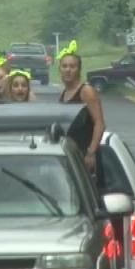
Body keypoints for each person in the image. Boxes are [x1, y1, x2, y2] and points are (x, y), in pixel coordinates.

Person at [56, 40, 105, 175]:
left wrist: (91, 152)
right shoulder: (64, 94)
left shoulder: (86, 91)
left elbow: (99, 124)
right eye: (64, 66)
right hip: (70, 155)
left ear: (79, 69)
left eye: (72, 66)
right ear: (59, 69)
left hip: (85, 155)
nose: (68, 70)